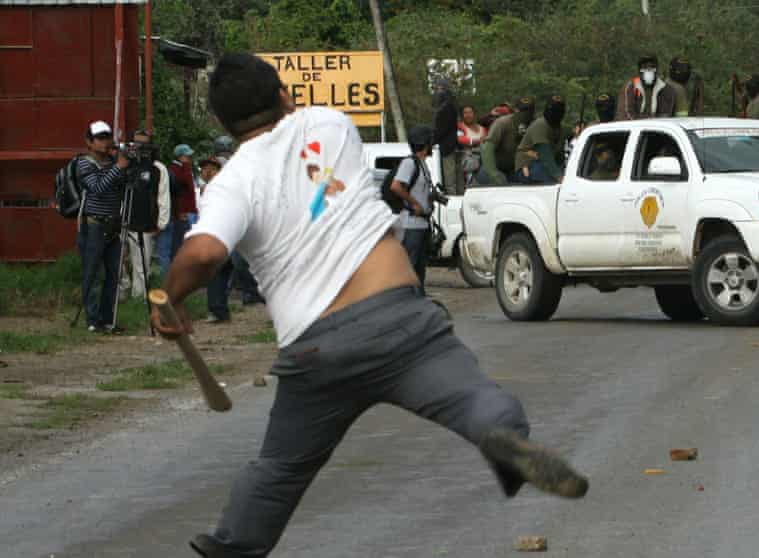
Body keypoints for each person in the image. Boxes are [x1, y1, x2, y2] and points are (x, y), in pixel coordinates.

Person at [151, 53, 588, 558]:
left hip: (317, 349)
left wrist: (169, 297)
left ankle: (233, 547)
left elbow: (204, 252)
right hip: (400, 320)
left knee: (280, 468)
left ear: (222, 123)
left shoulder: (233, 180)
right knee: (474, 400)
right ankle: (501, 436)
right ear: (283, 95)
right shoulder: (329, 123)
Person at [77, 121, 129, 333]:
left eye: (106, 137)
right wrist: (118, 167)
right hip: (94, 225)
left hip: (113, 224)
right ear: (89, 142)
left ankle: (108, 319)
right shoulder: (84, 163)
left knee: (113, 274)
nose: (104, 142)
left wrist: (123, 166)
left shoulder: (114, 160)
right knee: (93, 273)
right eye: (99, 138)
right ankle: (92, 320)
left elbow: (124, 186)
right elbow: (97, 188)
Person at [119, 129, 170, 300]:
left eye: (143, 143)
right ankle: (122, 289)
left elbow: (163, 197)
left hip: (145, 222)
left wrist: (161, 223)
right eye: (136, 143)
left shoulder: (158, 168)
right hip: (122, 220)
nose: (139, 147)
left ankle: (139, 298)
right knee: (117, 260)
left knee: (141, 265)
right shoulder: (126, 165)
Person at [390, 125, 435, 290]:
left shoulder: (423, 165)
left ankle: (417, 300)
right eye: (429, 142)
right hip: (411, 225)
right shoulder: (409, 163)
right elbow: (396, 186)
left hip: (421, 224)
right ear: (423, 143)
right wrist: (414, 203)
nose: (432, 145)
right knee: (410, 269)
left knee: (419, 270)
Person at [198, 156, 234, 323]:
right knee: (218, 273)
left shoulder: (224, 186)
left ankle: (217, 310)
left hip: (227, 233)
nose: (204, 172)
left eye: (208, 169)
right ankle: (219, 310)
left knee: (220, 273)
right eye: (203, 169)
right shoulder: (207, 188)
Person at [476, 97, 535, 185]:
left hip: (515, 169)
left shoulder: (534, 125)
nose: (525, 115)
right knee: (492, 180)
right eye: (522, 111)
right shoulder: (502, 123)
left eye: (528, 111)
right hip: (494, 166)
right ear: (516, 110)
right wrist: (494, 173)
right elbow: (487, 148)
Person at [514, 95, 566, 184]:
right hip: (528, 165)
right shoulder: (540, 125)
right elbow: (545, 155)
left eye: (558, 110)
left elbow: (559, 154)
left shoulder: (559, 128)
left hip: (545, 163)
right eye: (553, 109)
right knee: (549, 180)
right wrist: (559, 177)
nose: (555, 113)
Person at [617, 54, 675, 120]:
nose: (648, 71)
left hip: (658, 128)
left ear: (656, 70)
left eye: (652, 67)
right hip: (635, 128)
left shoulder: (667, 90)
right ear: (639, 71)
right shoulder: (630, 87)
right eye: (644, 68)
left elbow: (665, 116)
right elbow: (626, 115)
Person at [168, 144, 198, 269]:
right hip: (182, 212)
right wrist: (186, 167)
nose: (190, 159)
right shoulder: (175, 169)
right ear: (180, 157)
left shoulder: (182, 168)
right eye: (188, 156)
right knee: (180, 244)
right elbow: (189, 186)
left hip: (188, 210)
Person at [432, 78, 460, 195]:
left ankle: (453, 201)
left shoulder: (446, 107)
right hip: (446, 146)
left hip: (447, 147)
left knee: (450, 178)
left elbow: (442, 129)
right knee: (448, 176)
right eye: (438, 89)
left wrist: (432, 140)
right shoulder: (446, 106)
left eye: (441, 89)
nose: (439, 91)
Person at [457, 104, 486, 188]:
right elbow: (460, 139)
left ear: (474, 114)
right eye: (465, 113)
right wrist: (476, 141)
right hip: (469, 164)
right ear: (462, 115)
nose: (468, 115)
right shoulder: (460, 127)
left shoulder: (482, 128)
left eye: (470, 112)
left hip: (483, 162)